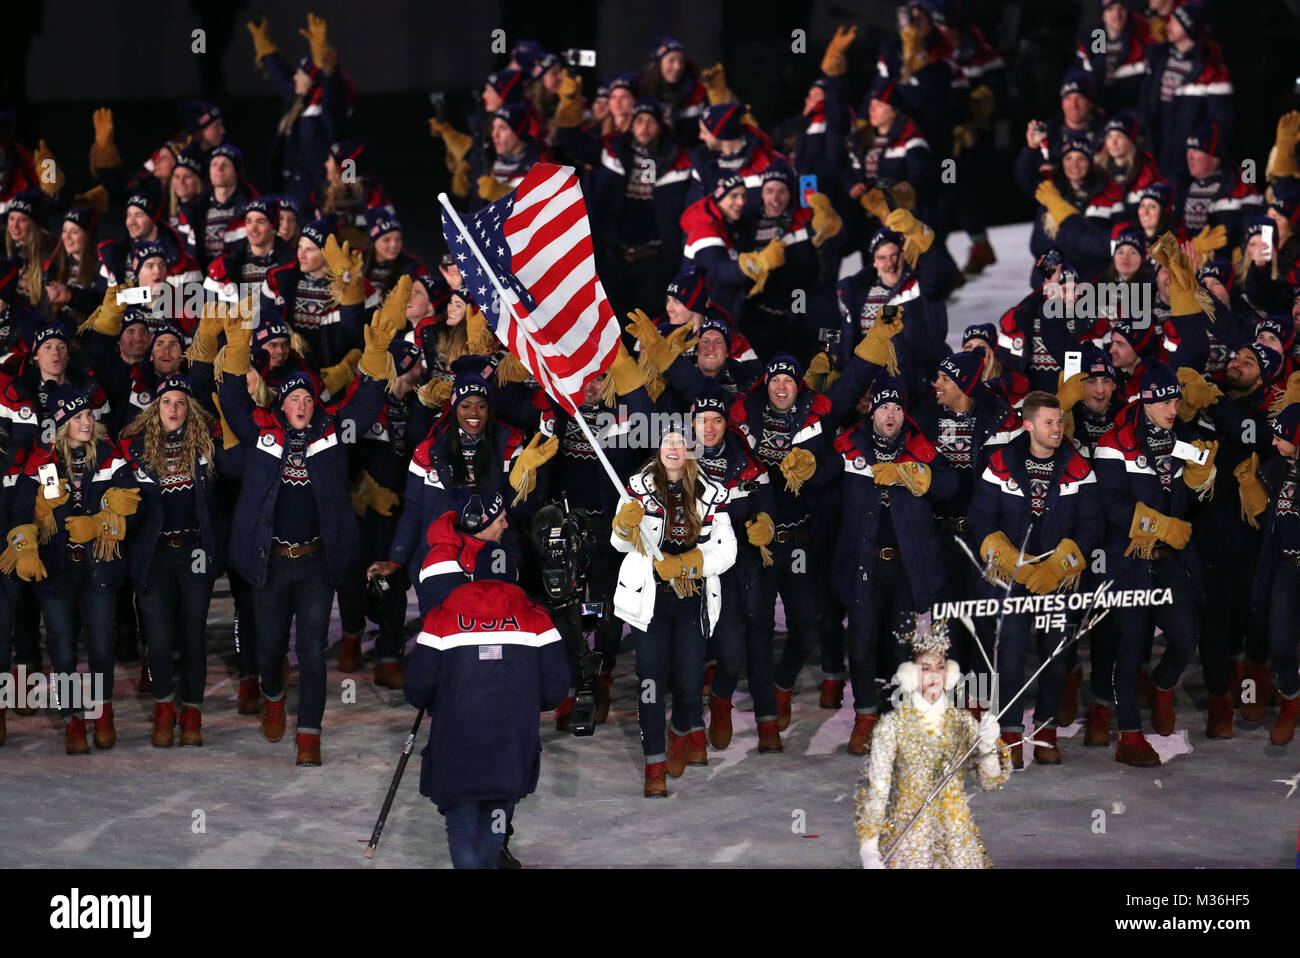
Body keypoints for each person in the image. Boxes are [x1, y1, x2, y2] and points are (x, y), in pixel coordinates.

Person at [216, 279, 401, 766]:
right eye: (293, 399)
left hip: (316, 564)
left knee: (314, 651)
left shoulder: (331, 435)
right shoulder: (261, 432)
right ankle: (274, 696)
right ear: (281, 403)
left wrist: (377, 353)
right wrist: (237, 348)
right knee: (272, 648)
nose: (300, 404)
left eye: (307, 399)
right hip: (269, 564)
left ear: (315, 404)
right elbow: (233, 401)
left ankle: (310, 733)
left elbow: (365, 404)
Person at [403, 570, 569, 869]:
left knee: (462, 822)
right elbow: (556, 686)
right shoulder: (537, 620)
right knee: (496, 815)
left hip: (456, 736)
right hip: (513, 738)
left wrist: (436, 703)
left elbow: (417, 687)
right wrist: (529, 704)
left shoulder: (441, 619)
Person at [10, 384, 140, 753]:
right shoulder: (42, 462)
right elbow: (18, 514)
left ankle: (102, 712)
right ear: (62, 423)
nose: (86, 421)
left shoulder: (109, 456)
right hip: (56, 573)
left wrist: (101, 523)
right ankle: (71, 719)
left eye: (88, 415)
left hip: (98, 570)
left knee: (100, 647)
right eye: (77, 416)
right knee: (63, 650)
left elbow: (137, 508)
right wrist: (24, 547)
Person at [610, 429, 736, 797]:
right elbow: (618, 544)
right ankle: (654, 764)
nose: (674, 448)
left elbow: (727, 551)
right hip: (649, 601)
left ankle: (680, 733)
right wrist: (624, 524)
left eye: (681, 442)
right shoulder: (636, 488)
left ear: (691, 450)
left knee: (689, 683)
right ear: (659, 448)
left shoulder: (712, 493)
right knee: (649, 681)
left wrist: (686, 565)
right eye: (668, 441)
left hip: (691, 600)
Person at [119, 374, 228, 747]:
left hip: (194, 552)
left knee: (193, 637)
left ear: (190, 409)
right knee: (160, 640)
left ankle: (193, 711)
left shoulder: (208, 446)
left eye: (181, 402)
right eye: (167, 402)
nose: (174, 409)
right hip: (153, 556)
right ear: (155, 408)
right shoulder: (133, 450)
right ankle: (165, 706)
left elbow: (231, 493)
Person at [854, 614, 1009, 869]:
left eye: (940, 667)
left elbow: (989, 782)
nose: (934, 675)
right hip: (910, 837)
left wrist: (989, 746)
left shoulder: (964, 723)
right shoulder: (892, 726)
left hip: (957, 840)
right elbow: (876, 787)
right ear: (910, 674)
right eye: (925, 668)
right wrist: (869, 848)